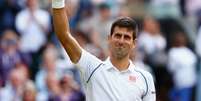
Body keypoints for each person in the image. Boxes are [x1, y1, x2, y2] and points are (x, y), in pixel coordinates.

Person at [51, 0, 156, 101]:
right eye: (118, 36)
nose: (121, 41)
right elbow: (64, 36)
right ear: (109, 39)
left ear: (134, 43)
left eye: (127, 37)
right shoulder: (92, 67)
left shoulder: (146, 78)